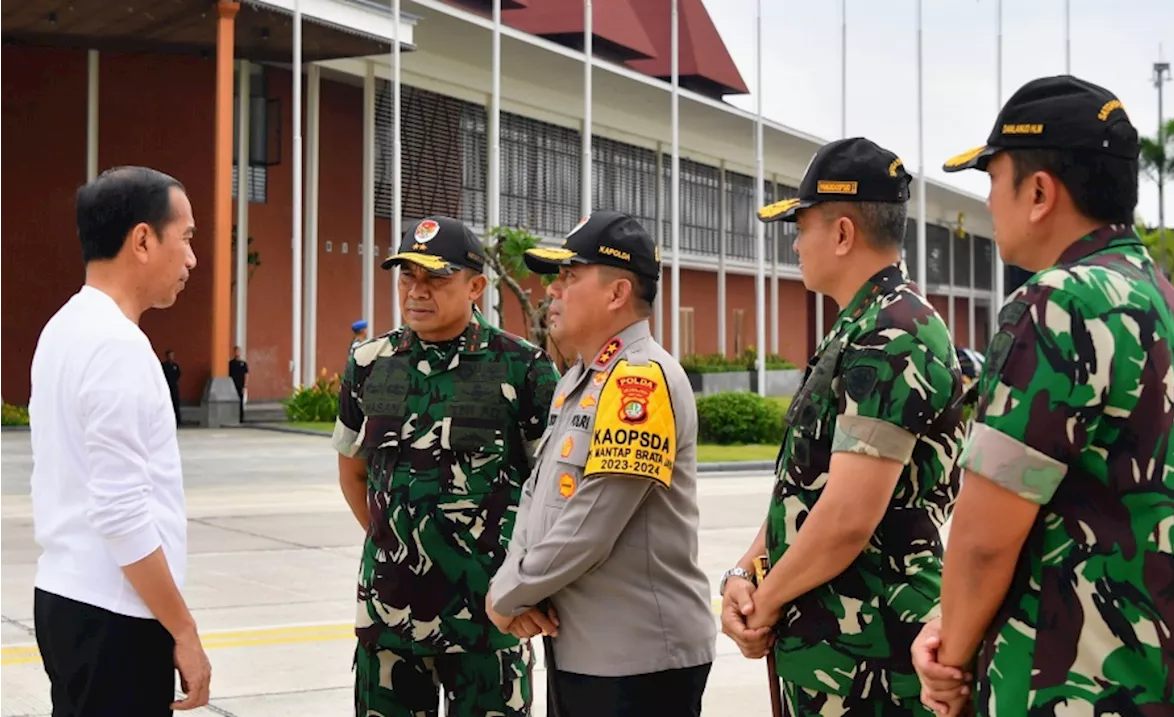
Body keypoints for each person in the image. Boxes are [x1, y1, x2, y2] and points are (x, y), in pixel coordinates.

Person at [911, 75, 1174, 716]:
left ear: (1039, 192)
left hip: (1072, 692)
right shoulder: (1171, 308)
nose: (990, 201)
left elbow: (985, 536)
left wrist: (950, 653)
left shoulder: (1058, 304)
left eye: (993, 179)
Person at [719, 137, 966, 716]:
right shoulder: (858, 328)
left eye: (801, 227)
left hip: (874, 656)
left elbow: (849, 516)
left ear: (843, 233)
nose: (797, 244)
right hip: (832, 649)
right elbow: (804, 489)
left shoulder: (893, 333)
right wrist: (746, 570)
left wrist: (766, 602)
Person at [486, 210, 718, 717]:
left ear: (616, 293)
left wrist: (510, 591)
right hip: (586, 651)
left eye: (568, 277)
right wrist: (519, 584)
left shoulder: (641, 379)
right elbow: (538, 493)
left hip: (639, 660)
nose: (552, 291)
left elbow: (594, 520)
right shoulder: (580, 380)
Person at [331, 215, 560, 717]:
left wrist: (528, 581)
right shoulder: (370, 361)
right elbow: (352, 471)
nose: (417, 291)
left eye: (436, 278)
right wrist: (394, 542)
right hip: (389, 614)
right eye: (407, 276)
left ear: (475, 285)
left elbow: (554, 489)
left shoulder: (523, 367)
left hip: (488, 619)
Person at [28, 166, 210, 715]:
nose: (192, 259)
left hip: (67, 596)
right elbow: (121, 512)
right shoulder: (118, 347)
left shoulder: (64, 327)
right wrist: (184, 630)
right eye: (187, 238)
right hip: (115, 615)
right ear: (142, 240)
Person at [229, 346, 249, 423]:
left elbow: (246, 375)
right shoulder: (231, 364)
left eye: (238, 351)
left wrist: (245, 386)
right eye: (236, 351)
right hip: (232, 386)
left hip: (241, 385)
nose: (237, 353)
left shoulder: (243, 364)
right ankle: (233, 416)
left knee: (240, 401)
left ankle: (241, 417)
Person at [161, 349, 181, 424]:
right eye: (170, 355)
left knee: (176, 403)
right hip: (167, 387)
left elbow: (178, 374)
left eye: (172, 355)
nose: (171, 357)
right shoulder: (164, 366)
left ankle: (178, 420)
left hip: (174, 386)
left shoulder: (175, 365)